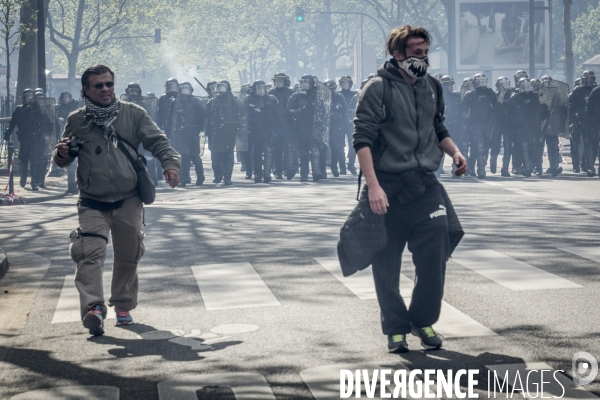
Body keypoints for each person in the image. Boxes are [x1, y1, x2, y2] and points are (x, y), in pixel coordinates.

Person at [353, 26, 466, 353]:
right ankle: (396, 329)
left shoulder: (432, 86)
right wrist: (373, 187)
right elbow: (362, 139)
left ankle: (422, 318)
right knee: (385, 262)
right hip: (386, 185)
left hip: (425, 184)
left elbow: (437, 126)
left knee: (437, 246)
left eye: (426, 52)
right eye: (417, 53)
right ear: (397, 54)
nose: (423, 59)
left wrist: (454, 152)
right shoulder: (377, 89)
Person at [53, 65, 181, 336]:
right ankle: (94, 308)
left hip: (128, 198)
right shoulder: (77, 120)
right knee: (89, 253)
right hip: (92, 200)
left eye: (109, 84)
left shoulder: (133, 114)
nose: (105, 90)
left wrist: (170, 164)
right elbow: (63, 157)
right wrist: (62, 153)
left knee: (128, 255)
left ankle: (123, 305)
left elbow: (159, 141)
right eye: (98, 86)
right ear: (86, 90)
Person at [167, 82, 205, 186]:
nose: (185, 92)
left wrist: (199, 128)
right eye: (183, 89)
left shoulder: (196, 102)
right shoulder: (174, 102)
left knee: (195, 156)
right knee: (183, 157)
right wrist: (169, 132)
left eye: (187, 89)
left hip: (192, 133)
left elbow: (202, 116)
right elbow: (170, 119)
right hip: (180, 133)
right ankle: (183, 179)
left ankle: (200, 177)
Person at [242, 80, 279, 183]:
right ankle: (257, 173)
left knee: (268, 151)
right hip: (254, 129)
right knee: (256, 152)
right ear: (254, 89)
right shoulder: (248, 100)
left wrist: (276, 129)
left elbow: (277, 116)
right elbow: (242, 114)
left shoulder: (271, 100)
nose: (261, 90)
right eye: (259, 88)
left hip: (268, 130)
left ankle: (267, 173)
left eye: (263, 88)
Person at [205, 80, 241, 185]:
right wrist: (206, 132)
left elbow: (239, 115)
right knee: (215, 157)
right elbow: (207, 117)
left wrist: (238, 128)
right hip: (215, 133)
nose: (221, 89)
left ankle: (227, 177)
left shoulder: (234, 101)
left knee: (229, 156)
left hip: (229, 133)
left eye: (224, 87)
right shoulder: (212, 101)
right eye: (220, 87)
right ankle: (218, 175)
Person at [461, 73, 497, 178]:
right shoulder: (471, 94)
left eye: (484, 81)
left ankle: (471, 167)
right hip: (475, 124)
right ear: (475, 83)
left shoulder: (490, 93)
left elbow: (496, 106)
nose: (482, 83)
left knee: (483, 148)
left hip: (488, 124)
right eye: (479, 81)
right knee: (479, 146)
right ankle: (481, 170)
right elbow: (464, 108)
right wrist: (465, 117)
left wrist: (495, 118)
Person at [4, 89, 38, 189]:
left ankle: (34, 182)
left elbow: (44, 121)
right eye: (26, 96)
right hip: (24, 137)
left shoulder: (37, 108)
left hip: (35, 138)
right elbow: (12, 122)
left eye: (30, 96)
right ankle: (23, 179)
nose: (28, 98)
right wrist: (7, 132)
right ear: (23, 98)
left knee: (34, 159)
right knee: (23, 158)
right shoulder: (19, 109)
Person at [569, 71, 596, 174]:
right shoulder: (578, 90)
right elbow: (569, 106)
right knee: (576, 144)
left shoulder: (596, 89)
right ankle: (576, 165)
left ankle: (588, 165)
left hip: (593, 121)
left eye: (590, 79)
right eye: (586, 78)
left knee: (591, 144)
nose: (589, 81)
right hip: (579, 120)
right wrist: (572, 120)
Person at [269, 73, 294, 179]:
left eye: (280, 81)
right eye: (277, 80)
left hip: (288, 123)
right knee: (277, 148)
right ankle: (277, 170)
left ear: (285, 82)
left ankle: (288, 169)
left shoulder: (291, 93)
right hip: (275, 124)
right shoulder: (271, 92)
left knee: (288, 147)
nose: (278, 82)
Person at [325, 79, 348, 176]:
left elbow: (345, 112)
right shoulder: (320, 98)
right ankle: (321, 170)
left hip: (336, 125)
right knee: (322, 148)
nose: (329, 91)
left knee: (336, 147)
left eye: (331, 89)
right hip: (324, 125)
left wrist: (344, 126)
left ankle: (334, 166)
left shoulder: (339, 97)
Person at [338, 76, 358, 174]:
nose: (345, 84)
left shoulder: (355, 94)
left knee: (353, 144)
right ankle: (342, 166)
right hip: (339, 123)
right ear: (341, 84)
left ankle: (351, 165)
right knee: (340, 145)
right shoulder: (337, 95)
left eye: (347, 83)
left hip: (351, 123)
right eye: (344, 83)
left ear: (350, 84)